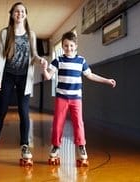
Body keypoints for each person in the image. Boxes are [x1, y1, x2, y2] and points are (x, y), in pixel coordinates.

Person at [0, 2, 47, 165]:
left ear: (26, 14)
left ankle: (24, 145)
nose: (20, 14)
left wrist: (41, 60)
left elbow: (33, 55)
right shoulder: (4, 33)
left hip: (25, 77)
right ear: (12, 14)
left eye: (23, 11)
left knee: (23, 112)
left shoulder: (31, 34)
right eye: (17, 11)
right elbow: (1, 57)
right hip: (8, 75)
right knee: (2, 110)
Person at [43, 31, 116, 166]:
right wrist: (44, 69)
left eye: (71, 46)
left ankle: (81, 146)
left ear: (75, 46)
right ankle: (56, 146)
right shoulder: (58, 60)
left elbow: (90, 75)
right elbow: (48, 76)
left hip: (76, 98)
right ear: (62, 47)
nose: (68, 48)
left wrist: (106, 81)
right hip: (62, 97)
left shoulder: (81, 60)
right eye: (65, 46)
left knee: (78, 123)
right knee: (58, 123)